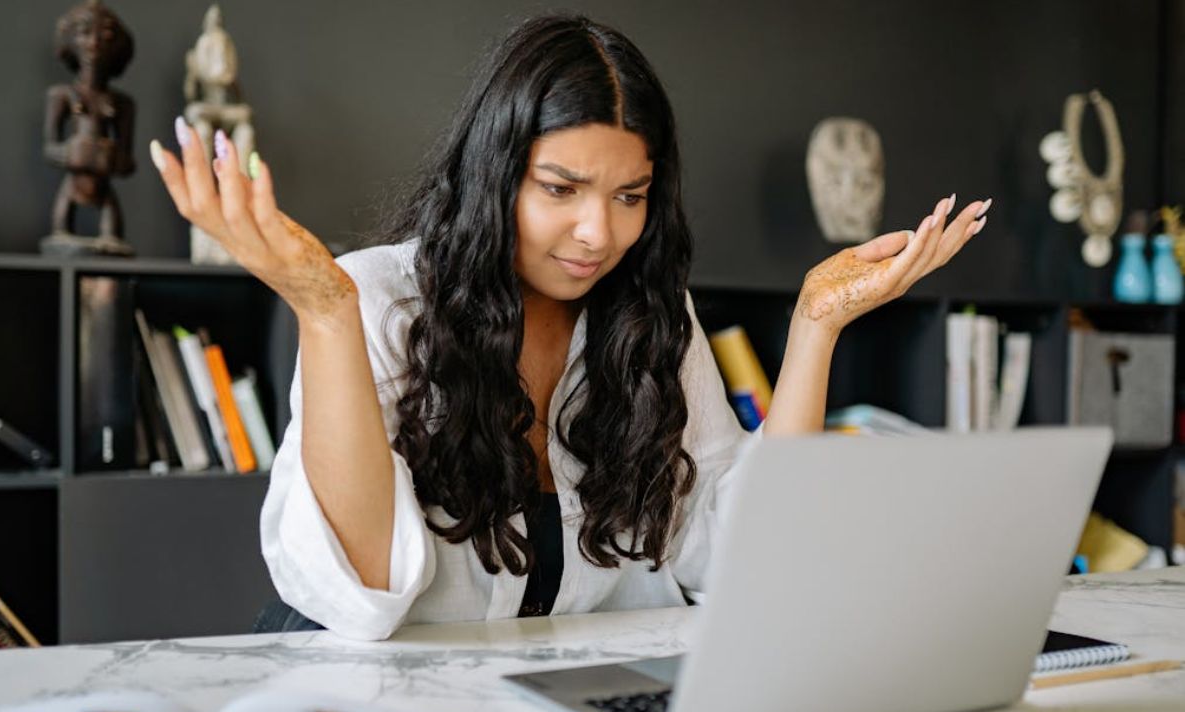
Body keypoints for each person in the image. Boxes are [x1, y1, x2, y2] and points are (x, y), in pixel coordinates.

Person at [148, 14, 992, 640]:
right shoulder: (375, 297)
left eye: (630, 197)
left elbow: (749, 556)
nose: (599, 233)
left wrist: (815, 328)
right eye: (560, 189)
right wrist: (326, 314)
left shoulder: (646, 317)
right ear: (495, 175)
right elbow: (362, 590)